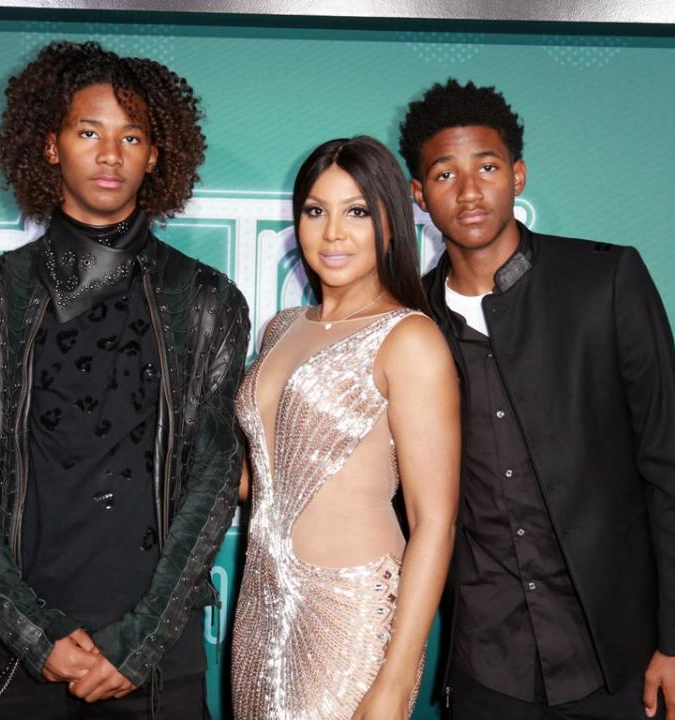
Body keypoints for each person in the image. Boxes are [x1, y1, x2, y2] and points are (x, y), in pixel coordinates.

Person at [0, 41, 249, 718]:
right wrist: (30, 632)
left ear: (156, 155)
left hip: (155, 664)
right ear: (49, 146)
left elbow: (214, 480)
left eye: (131, 136)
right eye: (88, 132)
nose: (110, 154)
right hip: (17, 660)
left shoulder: (207, 301)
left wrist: (140, 642)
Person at [399, 79, 675, 720]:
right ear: (418, 195)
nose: (468, 191)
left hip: (616, 657)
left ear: (517, 175)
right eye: (444, 174)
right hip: (487, 664)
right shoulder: (410, 325)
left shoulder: (606, 280)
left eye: (486, 167)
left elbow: (670, 465)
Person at [231, 135, 460, 719]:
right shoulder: (280, 329)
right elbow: (263, 479)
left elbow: (434, 522)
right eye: (316, 211)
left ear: (389, 224)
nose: (332, 232)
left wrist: (396, 676)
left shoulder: (409, 338)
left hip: (351, 615)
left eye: (356, 211)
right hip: (261, 605)